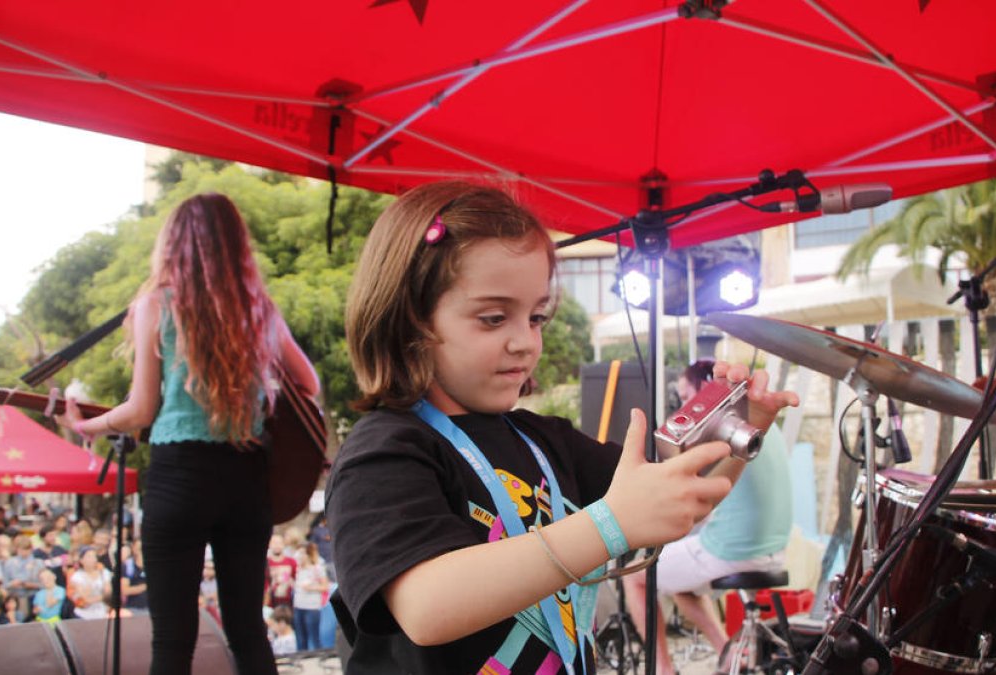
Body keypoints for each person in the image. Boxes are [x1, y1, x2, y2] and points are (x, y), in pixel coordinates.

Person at [326, 181, 798, 674]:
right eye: (493, 318)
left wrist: (737, 430)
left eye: (536, 317)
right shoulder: (383, 453)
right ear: (410, 320)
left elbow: (679, 498)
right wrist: (609, 524)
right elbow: (426, 606)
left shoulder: (543, 439)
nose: (525, 342)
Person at [56, 192, 320, 675]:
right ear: (237, 245)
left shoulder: (157, 304)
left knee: (173, 641)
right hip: (247, 478)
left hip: (180, 478)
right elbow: (310, 383)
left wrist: (86, 424)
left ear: (173, 244)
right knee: (247, 631)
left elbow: (140, 410)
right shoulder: (259, 309)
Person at [623, 359, 795, 675]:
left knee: (636, 576)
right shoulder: (759, 423)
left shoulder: (719, 429)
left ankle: (661, 670)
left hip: (735, 550)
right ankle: (725, 651)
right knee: (679, 579)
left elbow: (684, 500)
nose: (685, 405)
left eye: (688, 395)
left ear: (708, 390)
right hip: (776, 548)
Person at [292, 542, 330, 651]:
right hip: (298, 605)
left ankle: (318, 654)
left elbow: (325, 586)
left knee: (314, 636)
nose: (299, 556)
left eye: (302, 553)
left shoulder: (317, 569)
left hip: (312, 606)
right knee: (300, 637)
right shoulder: (297, 569)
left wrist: (311, 588)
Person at [68, 546, 112, 620]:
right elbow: (86, 599)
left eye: (94, 556)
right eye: (89, 556)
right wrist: (102, 597)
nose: (92, 559)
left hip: (102, 613)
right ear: (81, 560)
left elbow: (108, 592)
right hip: (83, 615)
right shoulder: (77, 576)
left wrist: (101, 596)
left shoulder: (104, 573)